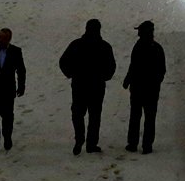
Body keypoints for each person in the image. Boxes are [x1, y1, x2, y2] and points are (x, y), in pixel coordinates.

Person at [59, 19, 116, 154]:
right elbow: (111, 66)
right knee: (95, 115)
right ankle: (91, 144)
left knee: (78, 113)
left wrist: (71, 74)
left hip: (79, 85)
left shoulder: (76, 44)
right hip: (97, 86)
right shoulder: (104, 46)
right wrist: (104, 77)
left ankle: (79, 138)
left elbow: (63, 61)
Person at [122, 21, 166, 154]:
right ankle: (147, 145)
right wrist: (155, 83)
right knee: (149, 117)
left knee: (135, 116)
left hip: (138, 88)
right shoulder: (157, 48)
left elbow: (134, 65)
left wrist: (129, 80)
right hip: (151, 89)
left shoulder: (139, 46)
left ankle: (133, 143)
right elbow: (161, 70)